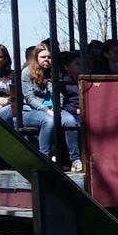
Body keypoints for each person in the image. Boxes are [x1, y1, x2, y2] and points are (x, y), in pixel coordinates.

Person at [21, 41, 82, 171]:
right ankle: (45, 158)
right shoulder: (27, 72)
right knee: (48, 121)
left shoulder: (54, 72)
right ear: (36, 57)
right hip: (33, 110)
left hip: (54, 109)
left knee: (70, 120)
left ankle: (75, 160)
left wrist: (56, 107)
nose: (47, 60)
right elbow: (29, 98)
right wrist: (46, 110)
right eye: (43, 57)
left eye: (49, 57)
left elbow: (59, 94)